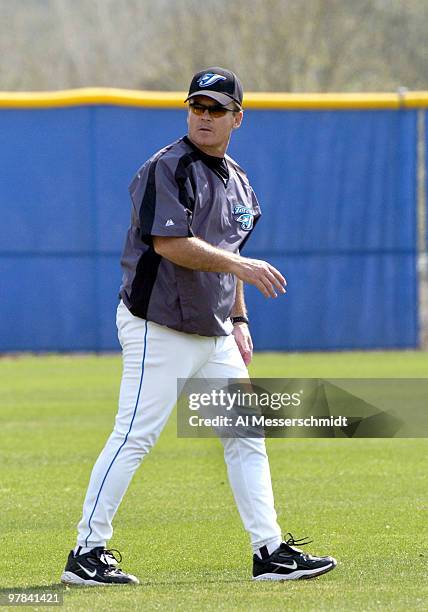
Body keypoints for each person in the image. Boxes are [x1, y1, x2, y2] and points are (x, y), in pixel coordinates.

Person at [61, 67, 337, 586]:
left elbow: (229, 252)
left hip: (213, 331)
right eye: (197, 107)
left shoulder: (239, 182)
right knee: (135, 436)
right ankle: (87, 552)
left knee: (245, 435)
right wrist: (238, 269)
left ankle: (270, 551)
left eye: (216, 109)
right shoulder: (167, 168)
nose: (204, 116)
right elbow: (172, 245)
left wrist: (238, 317)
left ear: (238, 118)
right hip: (157, 324)